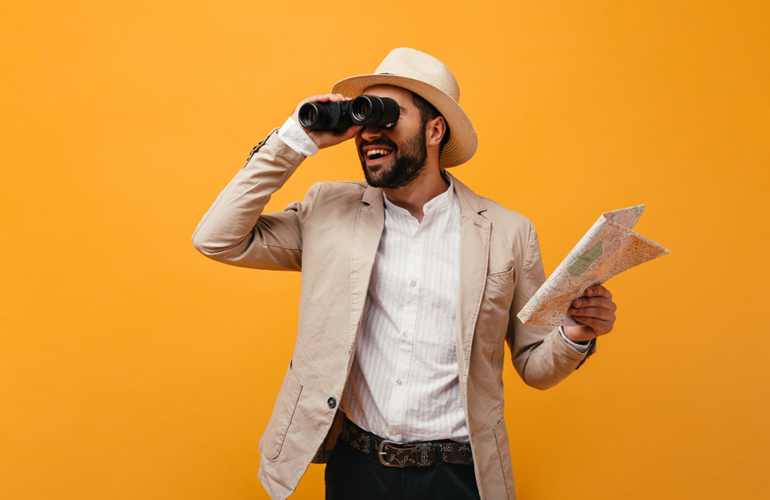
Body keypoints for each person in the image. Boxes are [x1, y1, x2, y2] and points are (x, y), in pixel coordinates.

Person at [191, 47, 618, 500]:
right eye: (362, 117)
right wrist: (293, 140)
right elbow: (217, 239)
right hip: (356, 467)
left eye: (387, 115)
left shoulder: (507, 232)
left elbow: (535, 366)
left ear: (436, 130)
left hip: (459, 476)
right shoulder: (328, 211)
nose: (369, 132)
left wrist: (574, 332)